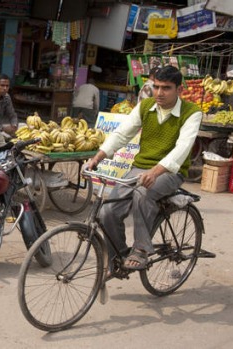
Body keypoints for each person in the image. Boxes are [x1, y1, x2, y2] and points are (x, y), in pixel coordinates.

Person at [84, 66, 202, 271]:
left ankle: (141, 250)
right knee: (107, 210)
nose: (159, 93)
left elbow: (183, 148)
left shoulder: (192, 112)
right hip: (139, 168)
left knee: (142, 192)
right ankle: (119, 256)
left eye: (166, 88)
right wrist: (98, 157)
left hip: (170, 172)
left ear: (179, 90)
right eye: (156, 87)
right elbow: (122, 134)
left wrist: (155, 171)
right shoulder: (145, 106)